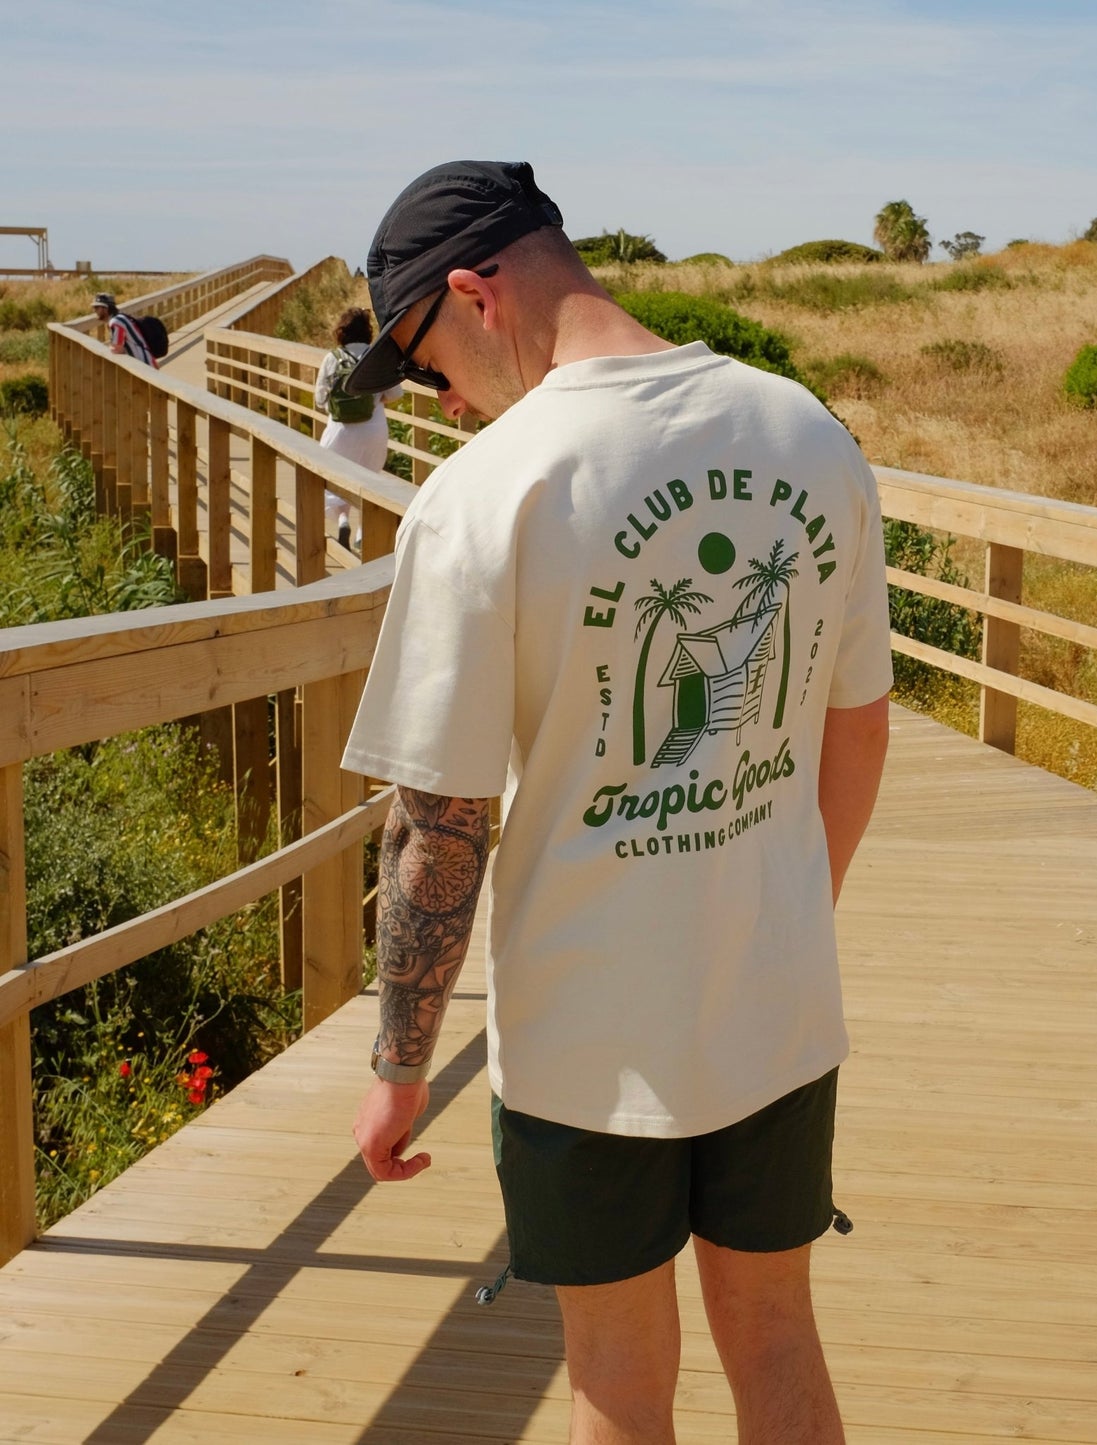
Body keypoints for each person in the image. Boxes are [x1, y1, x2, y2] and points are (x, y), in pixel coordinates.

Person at [343, 160, 892, 1444]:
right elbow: (854, 720)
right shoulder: (803, 430)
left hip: (587, 1039)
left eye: (422, 363)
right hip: (776, 1005)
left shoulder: (486, 493)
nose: (432, 398)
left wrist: (397, 1066)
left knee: (616, 1381)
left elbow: (442, 825)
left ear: (475, 294)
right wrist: (784, 915)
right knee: (776, 1338)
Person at [312, 307, 404, 551]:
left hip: (339, 430)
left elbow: (320, 399)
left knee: (334, 479)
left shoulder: (332, 358)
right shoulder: (376, 357)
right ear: (368, 332)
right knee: (370, 479)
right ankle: (363, 533)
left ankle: (343, 520)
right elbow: (394, 394)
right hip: (373, 429)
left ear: (341, 332)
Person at [92, 292, 157, 367]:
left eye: (97, 307)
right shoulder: (120, 317)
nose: (94, 310)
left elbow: (117, 349)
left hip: (144, 364)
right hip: (145, 362)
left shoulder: (116, 322)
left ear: (106, 308)